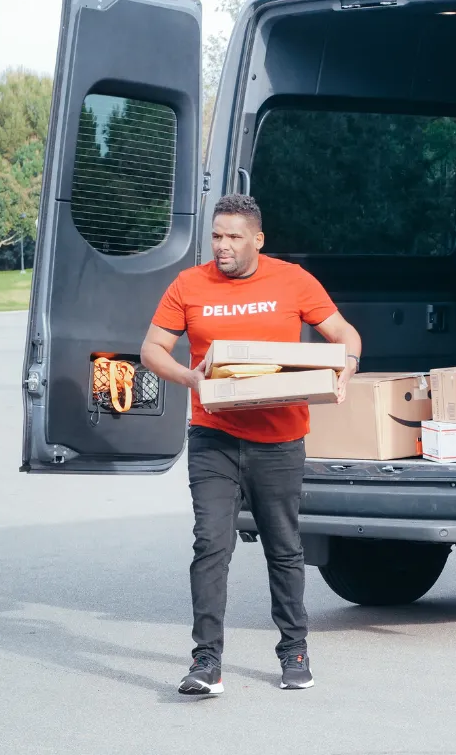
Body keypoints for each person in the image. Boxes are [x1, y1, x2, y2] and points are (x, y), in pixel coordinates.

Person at [140, 193, 361, 695]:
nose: (222, 246)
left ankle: (294, 650)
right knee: (210, 545)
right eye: (217, 235)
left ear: (257, 240)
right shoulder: (188, 284)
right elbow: (151, 349)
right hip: (213, 437)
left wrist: (344, 366)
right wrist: (191, 379)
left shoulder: (293, 280)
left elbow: (343, 333)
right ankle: (205, 661)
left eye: (234, 237)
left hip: (280, 440)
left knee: (284, 549)